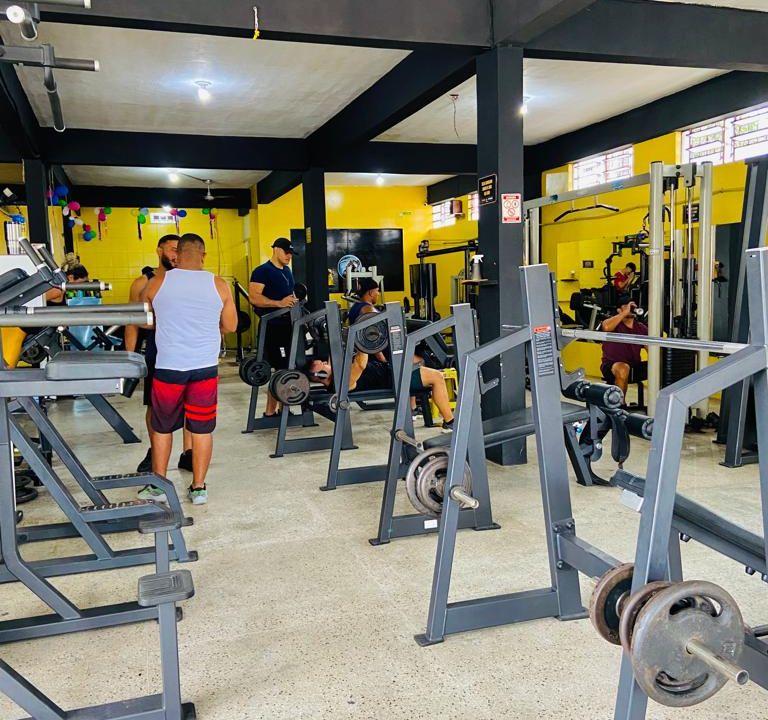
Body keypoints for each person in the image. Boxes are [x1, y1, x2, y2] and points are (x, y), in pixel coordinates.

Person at [141, 233, 237, 505]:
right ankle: (198, 488)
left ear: (177, 255)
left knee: (162, 428)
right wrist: (207, 327)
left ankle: (159, 486)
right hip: (204, 368)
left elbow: (145, 321)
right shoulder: (219, 284)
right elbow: (230, 326)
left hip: (169, 367)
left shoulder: (157, 282)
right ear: (203, 255)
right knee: (202, 429)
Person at [125, 234, 193, 475]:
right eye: (172, 249)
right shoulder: (143, 283)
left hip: (186, 348)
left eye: (179, 250)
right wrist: (129, 358)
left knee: (190, 402)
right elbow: (132, 322)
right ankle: (155, 451)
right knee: (155, 406)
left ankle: (188, 453)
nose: (176, 254)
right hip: (157, 350)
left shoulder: (187, 280)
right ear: (159, 250)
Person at [308, 353, 455, 433]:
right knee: (437, 377)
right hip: (395, 378)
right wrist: (363, 342)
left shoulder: (337, 377)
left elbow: (334, 355)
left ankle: (441, 418)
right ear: (321, 375)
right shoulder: (342, 383)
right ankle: (450, 422)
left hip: (391, 370)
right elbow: (360, 364)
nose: (327, 363)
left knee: (423, 360)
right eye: (324, 365)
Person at [248, 237, 299, 417]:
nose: (289, 256)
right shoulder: (262, 271)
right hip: (273, 327)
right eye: (286, 252)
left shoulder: (287, 271)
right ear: (276, 249)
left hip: (289, 325)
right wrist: (279, 303)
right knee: (279, 369)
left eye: (291, 253)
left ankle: (282, 410)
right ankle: (270, 412)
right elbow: (254, 298)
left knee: (287, 367)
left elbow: (289, 295)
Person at [599, 298, 648, 397]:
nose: (631, 308)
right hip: (611, 366)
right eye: (627, 306)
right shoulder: (613, 324)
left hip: (634, 367)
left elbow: (652, 350)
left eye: (633, 306)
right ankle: (620, 403)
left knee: (662, 366)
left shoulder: (641, 328)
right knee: (623, 368)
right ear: (619, 310)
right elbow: (606, 327)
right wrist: (625, 313)